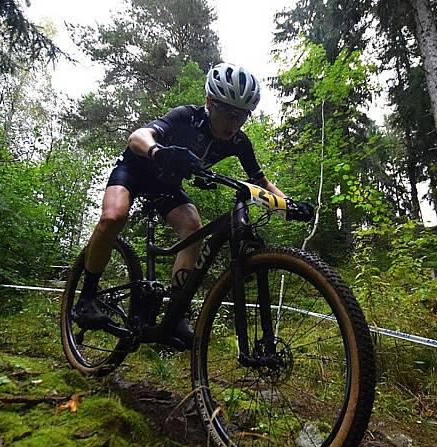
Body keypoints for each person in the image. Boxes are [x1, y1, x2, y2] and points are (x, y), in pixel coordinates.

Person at [73, 62, 293, 346]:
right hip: (135, 169)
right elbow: (137, 136)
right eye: (228, 112)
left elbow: (260, 181)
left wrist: (288, 204)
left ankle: (175, 314)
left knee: (193, 229)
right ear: (210, 103)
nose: (234, 123)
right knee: (114, 217)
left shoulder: (239, 141)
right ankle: (87, 297)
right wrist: (157, 151)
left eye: (242, 116)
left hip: (166, 185)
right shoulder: (186, 117)